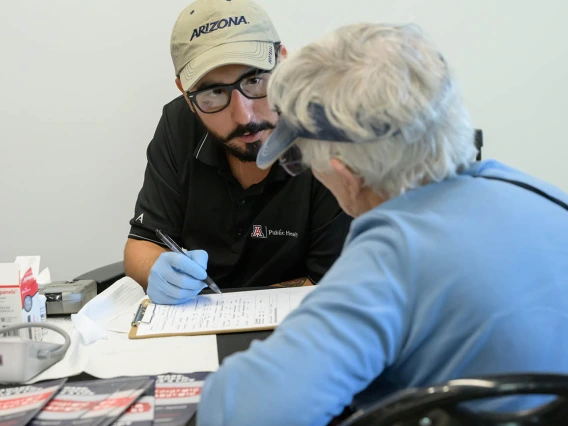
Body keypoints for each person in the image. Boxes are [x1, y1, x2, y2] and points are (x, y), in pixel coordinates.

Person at [196, 22, 568, 426]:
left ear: (346, 173)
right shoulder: (546, 199)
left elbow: (239, 413)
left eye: (299, 158)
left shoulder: (393, 255)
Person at [124, 0, 351, 304]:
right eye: (213, 93)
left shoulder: (327, 136)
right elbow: (142, 244)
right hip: (190, 333)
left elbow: (330, 283)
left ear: (283, 62)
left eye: (255, 80)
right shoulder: (177, 125)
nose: (243, 116)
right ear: (185, 94)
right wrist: (156, 268)